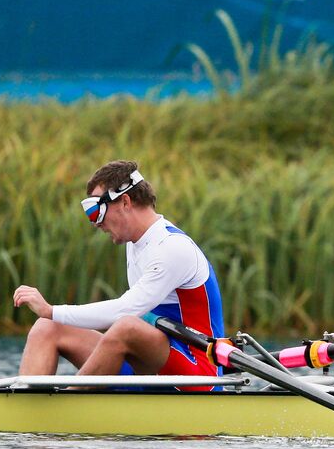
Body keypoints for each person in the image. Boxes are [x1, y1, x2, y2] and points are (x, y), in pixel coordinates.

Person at [12, 160, 224, 383]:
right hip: (150, 367)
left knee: (126, 326)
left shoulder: (172, 247)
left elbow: (124, 311)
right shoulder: (135, 244)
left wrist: (51, 309)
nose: (96, 223)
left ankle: (71, 402)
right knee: (48, 328)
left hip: (195, 372)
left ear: (125, 201)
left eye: (98, 212)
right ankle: (27, 409)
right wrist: (50, 317)